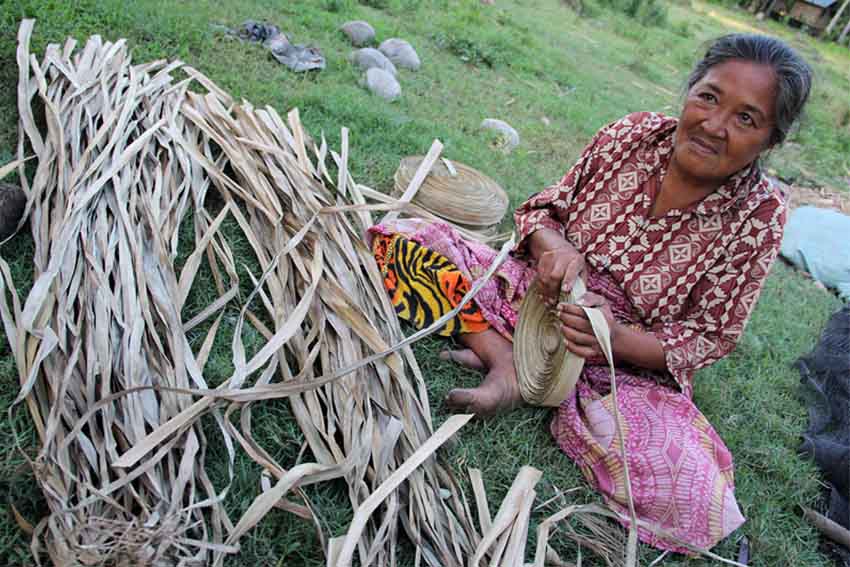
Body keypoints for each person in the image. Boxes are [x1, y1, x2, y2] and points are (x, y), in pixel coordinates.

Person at [368, 33, 812, 552]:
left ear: (770, 141)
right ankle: (504, 359)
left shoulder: (759, 216)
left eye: (746, 119)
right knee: (404, 238)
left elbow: (706, 338)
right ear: (690, 90)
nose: (714, 126)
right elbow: (542, 212)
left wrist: (613, 338)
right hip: (530, 296)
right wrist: (553, 248)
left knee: (696, 498)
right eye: (708, 97)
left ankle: (561, 389)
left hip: (619, 365)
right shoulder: (632, 135)